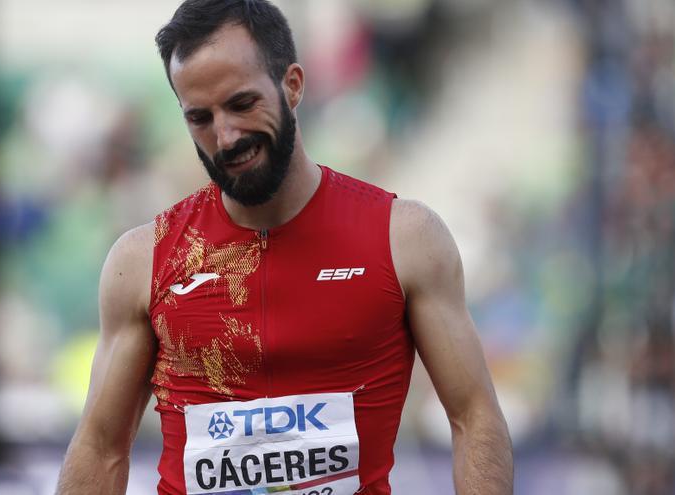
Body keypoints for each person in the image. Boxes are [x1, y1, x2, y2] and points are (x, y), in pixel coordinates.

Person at [56, 1, 513, 494]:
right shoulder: (144, 260)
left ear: (292, 85)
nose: (225, 136)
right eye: (200, 117)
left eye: (241, 104)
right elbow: (100, 448)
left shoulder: (404, 239)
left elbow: (474, 418)